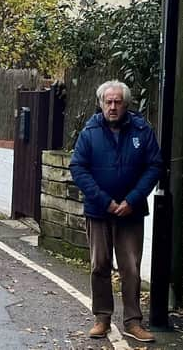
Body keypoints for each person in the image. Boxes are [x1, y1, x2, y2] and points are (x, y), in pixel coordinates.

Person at [70, 80, 162, 343]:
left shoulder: (142, 130)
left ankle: (133, 321)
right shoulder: (89, 132)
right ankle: (102, 318)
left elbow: (154, 166)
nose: (112, 107)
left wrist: (132, 199)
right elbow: (78, 168)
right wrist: (105, 201)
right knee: (99, 265)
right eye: (108, 102)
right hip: (99, 212)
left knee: (130, 268)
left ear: (125, 104)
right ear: (101, 104)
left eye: (117, 102)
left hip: (131, 213)